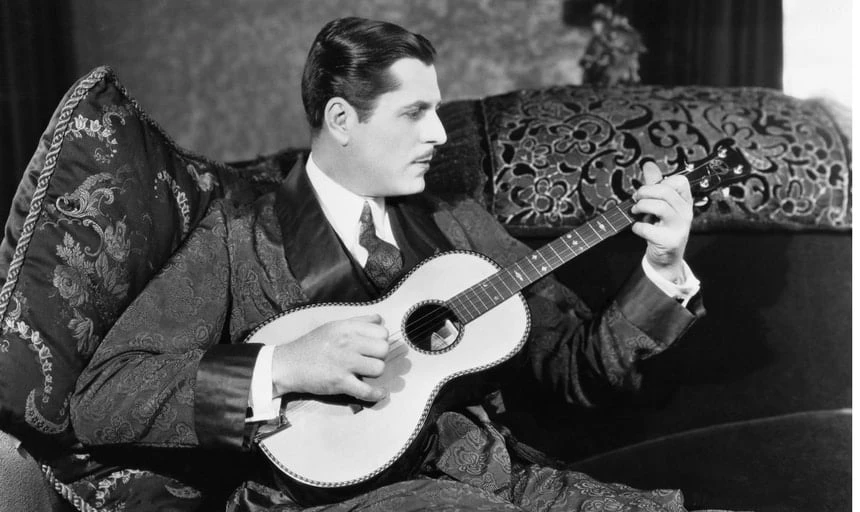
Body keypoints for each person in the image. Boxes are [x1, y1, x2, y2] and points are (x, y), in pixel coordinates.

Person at [69, 16, 708, 512]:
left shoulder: (460, 223)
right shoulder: (236, 240)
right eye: (414, 112)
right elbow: (104, 398)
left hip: (496, 481)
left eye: (437, 109)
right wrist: (285, 363)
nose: (439, 134)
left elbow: (576, 370)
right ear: (342, 119)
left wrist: (662, 264)